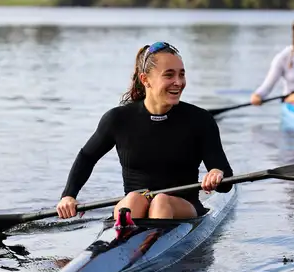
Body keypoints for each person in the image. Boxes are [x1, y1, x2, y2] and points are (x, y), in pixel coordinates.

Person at [56, 41, 234, 221]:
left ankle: (145, 239)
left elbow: (226, 183)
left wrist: (216, 174)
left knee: (161, 201)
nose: (178, 82)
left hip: (184, 205)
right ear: (145, 79)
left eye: (181, 74)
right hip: (135, 204)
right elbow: (87, 157)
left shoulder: (200, 120)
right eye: (169, 75)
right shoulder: (118, 119)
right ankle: (124, 236)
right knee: (133, 199)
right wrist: (69, 196)